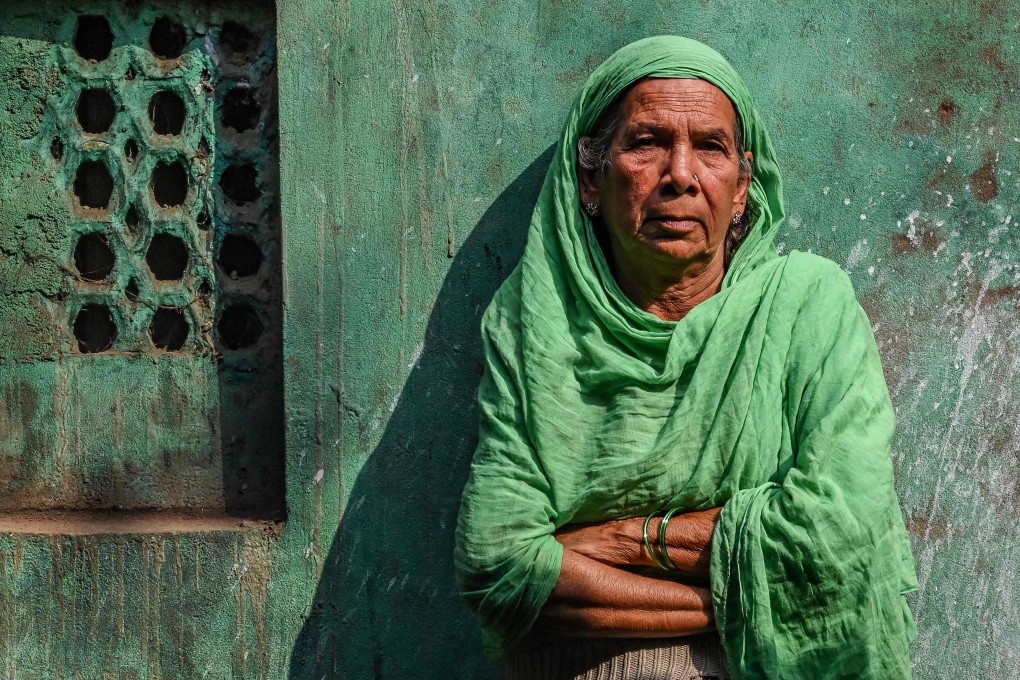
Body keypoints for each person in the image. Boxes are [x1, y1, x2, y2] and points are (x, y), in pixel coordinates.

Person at [454, 36, 917, 679]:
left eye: (710, 147)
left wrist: (619, 541)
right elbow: (496, 561)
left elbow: (842, 532)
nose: (680, 174)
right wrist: (750, 595)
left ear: (742, 185)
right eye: (646, 143)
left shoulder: (807, 304)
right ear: (591, 178)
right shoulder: (536, 324)